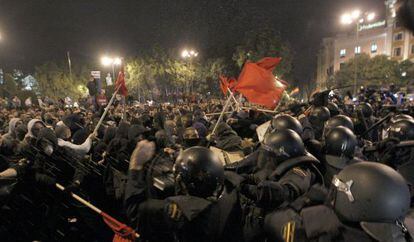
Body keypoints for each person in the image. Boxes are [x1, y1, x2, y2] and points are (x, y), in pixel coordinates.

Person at [125, 142, 244, 242]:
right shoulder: (232, 192)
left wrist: (135, 166)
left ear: (181, 181)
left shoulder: (184, 211)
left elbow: (134, 210)